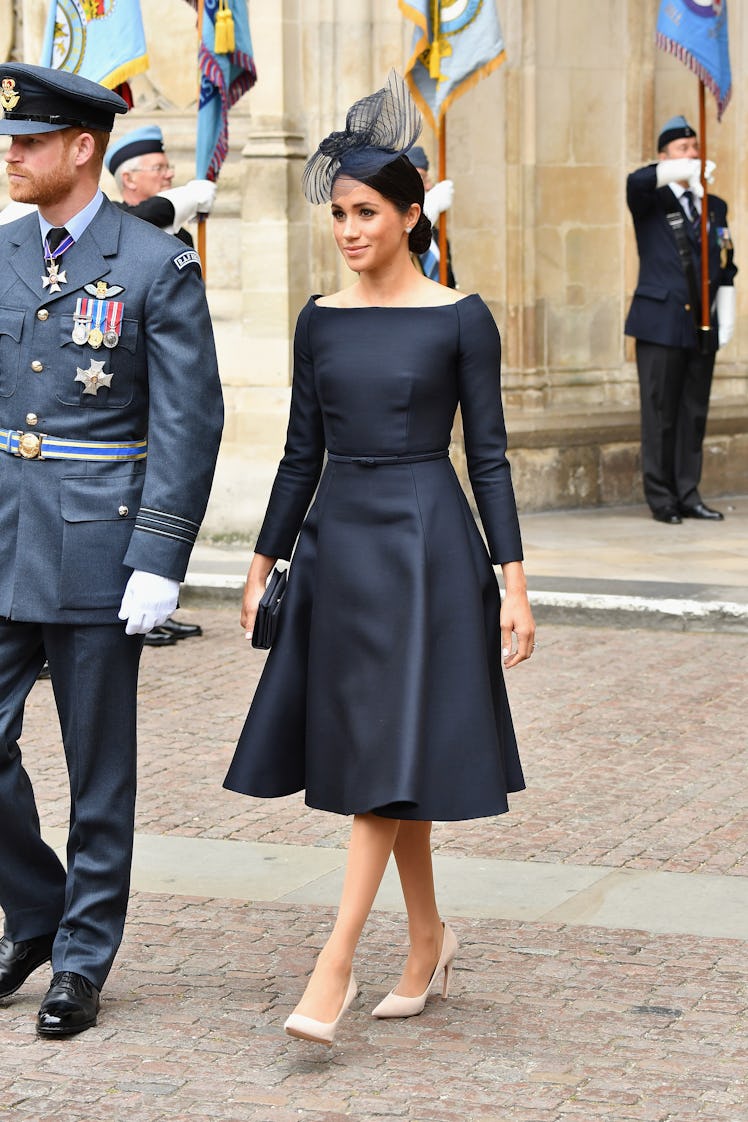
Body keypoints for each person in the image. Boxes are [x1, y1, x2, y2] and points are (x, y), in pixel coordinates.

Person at [223, 71, 534, 1047]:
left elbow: (486, 456)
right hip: (338, 554)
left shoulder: (460, 318)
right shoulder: (319, 320)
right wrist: (263, 559)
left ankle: (335, 962)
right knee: (384, 758)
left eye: (365, 212)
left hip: (430, 555)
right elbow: (296, 451)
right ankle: (431, 935)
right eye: (339, 213)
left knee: (379, 766)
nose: (348, 228)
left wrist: (513, 585)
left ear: (409, 214)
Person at [0, 63, 223, 1036]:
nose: (11, 154)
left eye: (29, 140)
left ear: (82, 147)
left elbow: (190, 420)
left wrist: (161, 554)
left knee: (98, 770)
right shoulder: (5, 253)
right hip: (5, 531)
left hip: (98, 542)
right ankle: (40, 906)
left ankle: (80, 959)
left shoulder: (152, 264)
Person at [105, 124, 216, 643]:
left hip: (166, 388)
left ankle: (157, 596)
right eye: (159, 167)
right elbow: (133, 223)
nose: (169, 173)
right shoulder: (121, 220)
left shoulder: (177, 234)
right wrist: (176, 202)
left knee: (167, 486)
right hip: (120, 393)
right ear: (129, 177)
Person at [625, 114, 737, 524]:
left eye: (695, 148)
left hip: (700, 326)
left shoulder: (714, 206)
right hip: (659, 322)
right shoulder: (651, 200)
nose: (692, 154)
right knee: (660, 414)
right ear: (664, 156)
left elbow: (726, 262)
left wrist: (725, 313)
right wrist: (672, 172)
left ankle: (689, 492)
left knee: (693, 413)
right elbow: (636, 181)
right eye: (682, 149)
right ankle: (662, 498)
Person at [408, 145, 456, 287]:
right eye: (422, 178)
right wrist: (429, 210)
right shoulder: (389, 233)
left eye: (427, 178)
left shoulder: (436, 234)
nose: (429, 186)